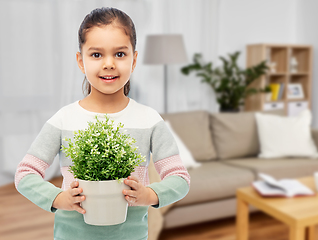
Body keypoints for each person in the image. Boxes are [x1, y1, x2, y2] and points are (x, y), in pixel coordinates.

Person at [14, 7, 190, 240]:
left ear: (134, 59)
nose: (108, 64)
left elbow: (180, 178)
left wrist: (149, 195)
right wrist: (58, 198)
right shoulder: (63, 119)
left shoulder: (149, 120)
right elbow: (25, 173)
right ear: (80, 60)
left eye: (120, 54)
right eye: (96, 54)